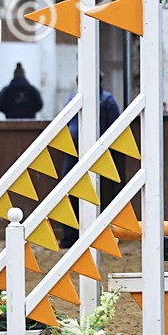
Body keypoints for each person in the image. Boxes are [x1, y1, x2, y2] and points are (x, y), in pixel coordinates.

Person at [59, 79, 123, 249]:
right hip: (90, 151)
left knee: (71, 191)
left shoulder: (75, 99)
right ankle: (86, 233)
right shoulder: (106, 100)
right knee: (90, 192)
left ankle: (72, 235)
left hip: (79, 149)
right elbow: (115, 127)